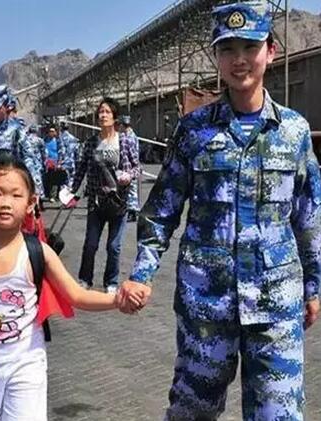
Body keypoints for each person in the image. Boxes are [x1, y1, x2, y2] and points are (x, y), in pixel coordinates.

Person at [120, 2, 321, 420]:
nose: (239, 59)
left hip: (275, 305)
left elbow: (308, 215)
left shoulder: (294, 132)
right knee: (191, 412)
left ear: (271, 51)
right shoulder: (194, 131)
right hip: (206, 304)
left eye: (250, 46)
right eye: (227, 48)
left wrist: (314, 285)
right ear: (216, 57)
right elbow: (162, 210)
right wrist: (142, 272)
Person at [0, 155, 132, 421]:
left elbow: (76, 295)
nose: (6, 203)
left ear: (31, 203)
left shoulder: (39, 252)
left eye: (16, 195)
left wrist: (117, 300)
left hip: (26, 360)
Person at [68, 98, 140, 293]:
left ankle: (111, 282)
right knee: (90, 244)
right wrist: (71, 191)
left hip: (118, 202)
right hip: (96, 202)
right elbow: (81, 169)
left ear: (115, 117)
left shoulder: (125, 141)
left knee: (114, 246)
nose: (103, 115)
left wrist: (129, 175)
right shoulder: (91, 142)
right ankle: (85, 279)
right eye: (101, 112)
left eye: (107, 112)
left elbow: (137, 167)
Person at [119, 115, 140, 222]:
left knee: (131, 190)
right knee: (131, 189)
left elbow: (132, 154)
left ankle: (132, 211)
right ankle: (132, 210)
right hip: (131, 166)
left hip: (129, 166)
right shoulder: (132, 135)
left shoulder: (128, 137)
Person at [43, 125, 66, 202]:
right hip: (47, 163)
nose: (51, 133)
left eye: (53, 131)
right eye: (50, 131)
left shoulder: (58, 141)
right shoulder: (45, 140)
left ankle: (54, 196)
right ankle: (48, 195)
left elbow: (62, 151)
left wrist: (60, 162)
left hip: (56, 162)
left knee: (55, 180)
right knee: (47, 179)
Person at [26, 124, 46, 201]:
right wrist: (44, 162)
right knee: (38, 181)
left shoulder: (25, 139)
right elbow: (44, 153)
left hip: (27, 163)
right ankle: (38, 198)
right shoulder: (39, 140)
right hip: (37, 163)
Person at [59, 122, 80, 188]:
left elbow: (60, 152)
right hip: (72, 163)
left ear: (61, 128)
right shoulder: (73, 138)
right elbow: (77, 153)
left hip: (63, 164)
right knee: (71, 182)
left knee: (63, 184)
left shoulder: (60, 138)